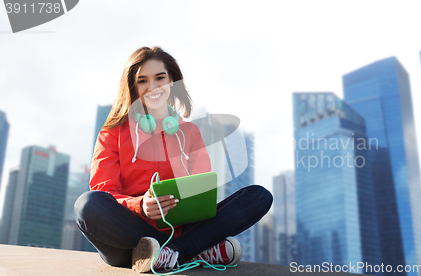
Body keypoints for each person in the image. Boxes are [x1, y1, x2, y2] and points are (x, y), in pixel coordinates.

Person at [74, 46, 273, 273]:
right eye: (143, 81)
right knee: (87, 204)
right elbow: (104, 191)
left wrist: (191, 203)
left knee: (259, 196)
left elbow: (201, 191)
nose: (153, 88)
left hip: (182, 230)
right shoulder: (112, 133)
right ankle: (190, 250)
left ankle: (174, 252)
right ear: (132, 86)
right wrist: (140, 206)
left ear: (172, 81)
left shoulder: (190, 132)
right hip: (129, 241)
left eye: (160, 78)